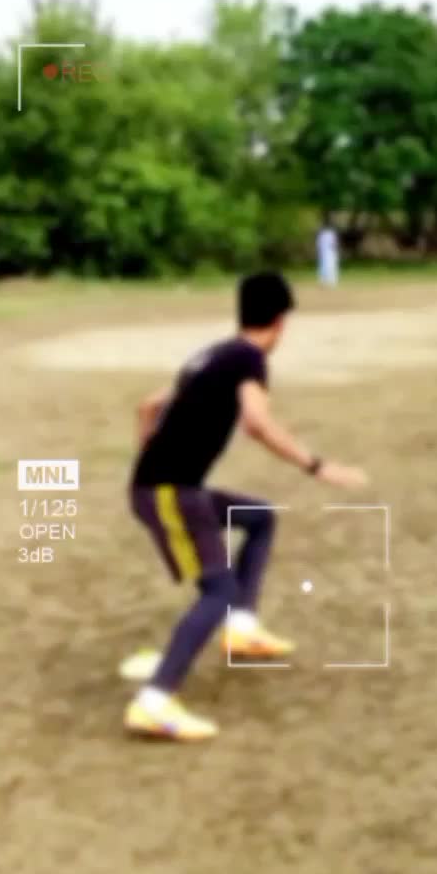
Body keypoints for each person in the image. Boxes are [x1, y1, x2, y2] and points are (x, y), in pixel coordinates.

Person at [123, 271, 368, 743]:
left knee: (259, 517)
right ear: (282, 320)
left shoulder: (212, 355)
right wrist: (317, 467)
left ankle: (243, 628)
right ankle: (155, 700)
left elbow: (147, 407)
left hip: (166, 487)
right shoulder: (249, 360)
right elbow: (257, 423)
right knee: (217, 591)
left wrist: (150, 464)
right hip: (171, 491)